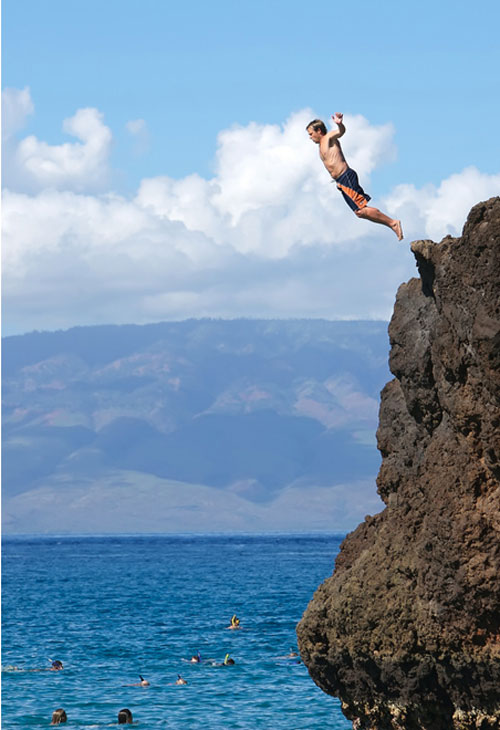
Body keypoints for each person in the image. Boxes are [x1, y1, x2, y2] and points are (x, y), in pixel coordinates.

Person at [306, 114, 403, 241]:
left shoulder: (328, 138)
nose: (310, 137)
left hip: (346, 176)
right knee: (360, 212)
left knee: (360, 210)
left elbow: (341, 132)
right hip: (341, 181)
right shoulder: (321, 146)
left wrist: (339, 124)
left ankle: (393, 223)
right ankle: (392, 223)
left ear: (319, 131)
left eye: (311, 133)